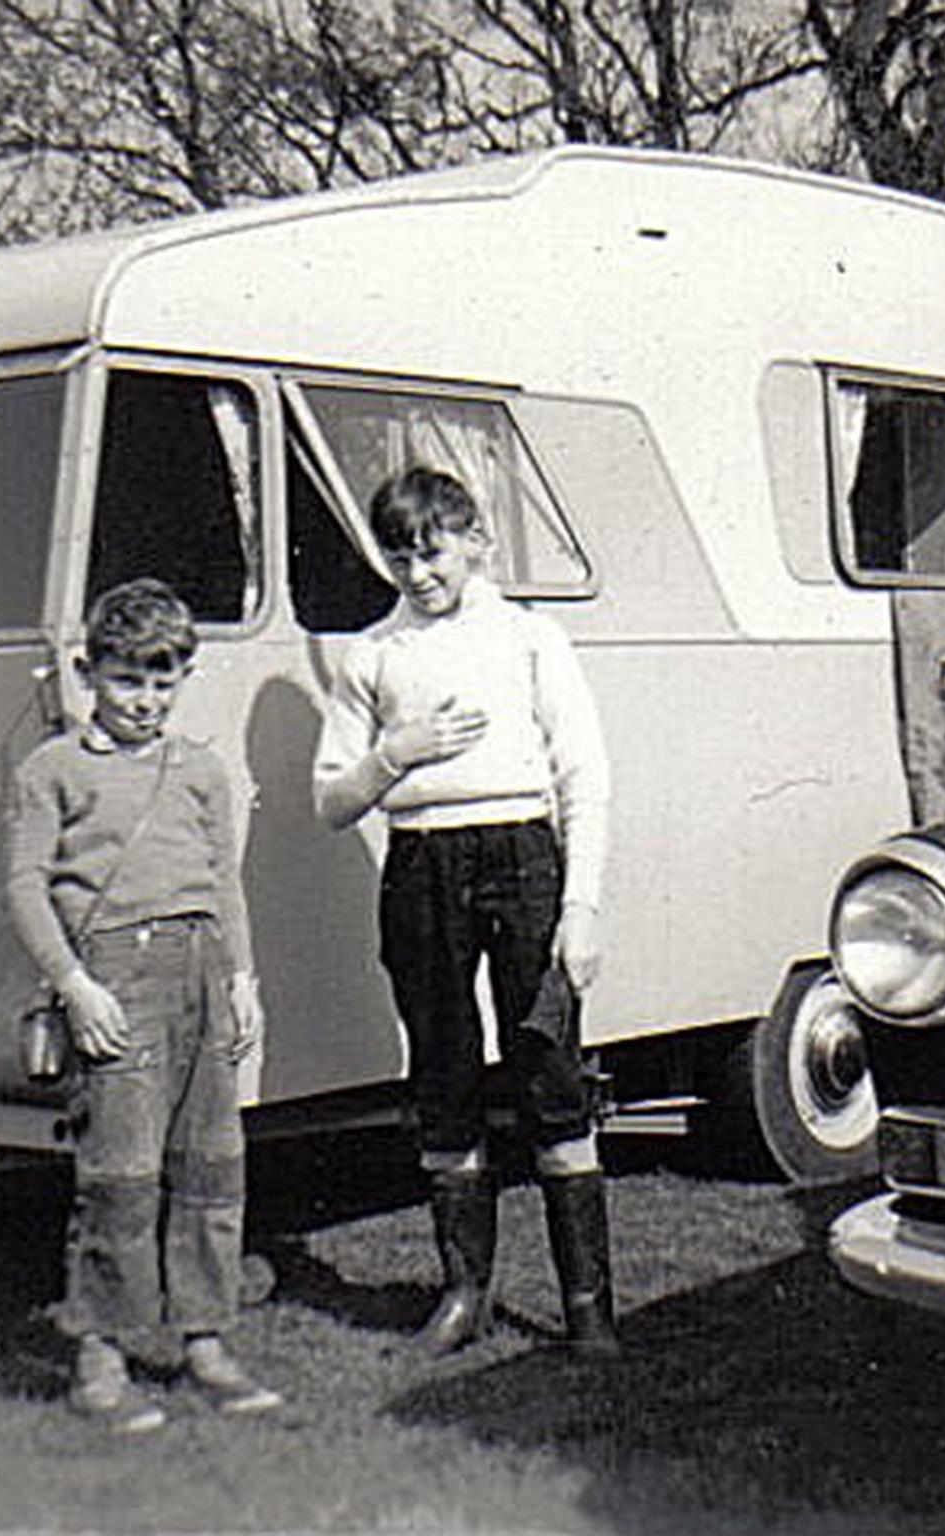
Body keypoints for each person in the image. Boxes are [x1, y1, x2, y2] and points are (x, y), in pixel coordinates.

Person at [312, 465, 619, 1359]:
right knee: (442, 1078)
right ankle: (463, 1296)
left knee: (550, 1074)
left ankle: (587, 1305)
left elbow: (584, 778)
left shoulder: (531, 639)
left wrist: (582, 906)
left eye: (432, 551)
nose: (417, 573)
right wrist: (393, 756)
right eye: (399, 556)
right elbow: (331, 800)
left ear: (475, 539)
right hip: (422, 865)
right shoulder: (373, 656)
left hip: (525, 856)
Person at [6, 576, 283, 1431]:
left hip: (203, 969)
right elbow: (22, 886)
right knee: (120, 1175)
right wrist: (75, 985)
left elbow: (222, 881)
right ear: (90, 673)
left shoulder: (199, 769)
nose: (146, 700)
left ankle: (205, 1343)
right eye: (129, 679)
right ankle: (102, 1354)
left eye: (164, 681)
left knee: (211, 1165)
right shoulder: (50, 769)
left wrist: (243, 980)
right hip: (113, 978)